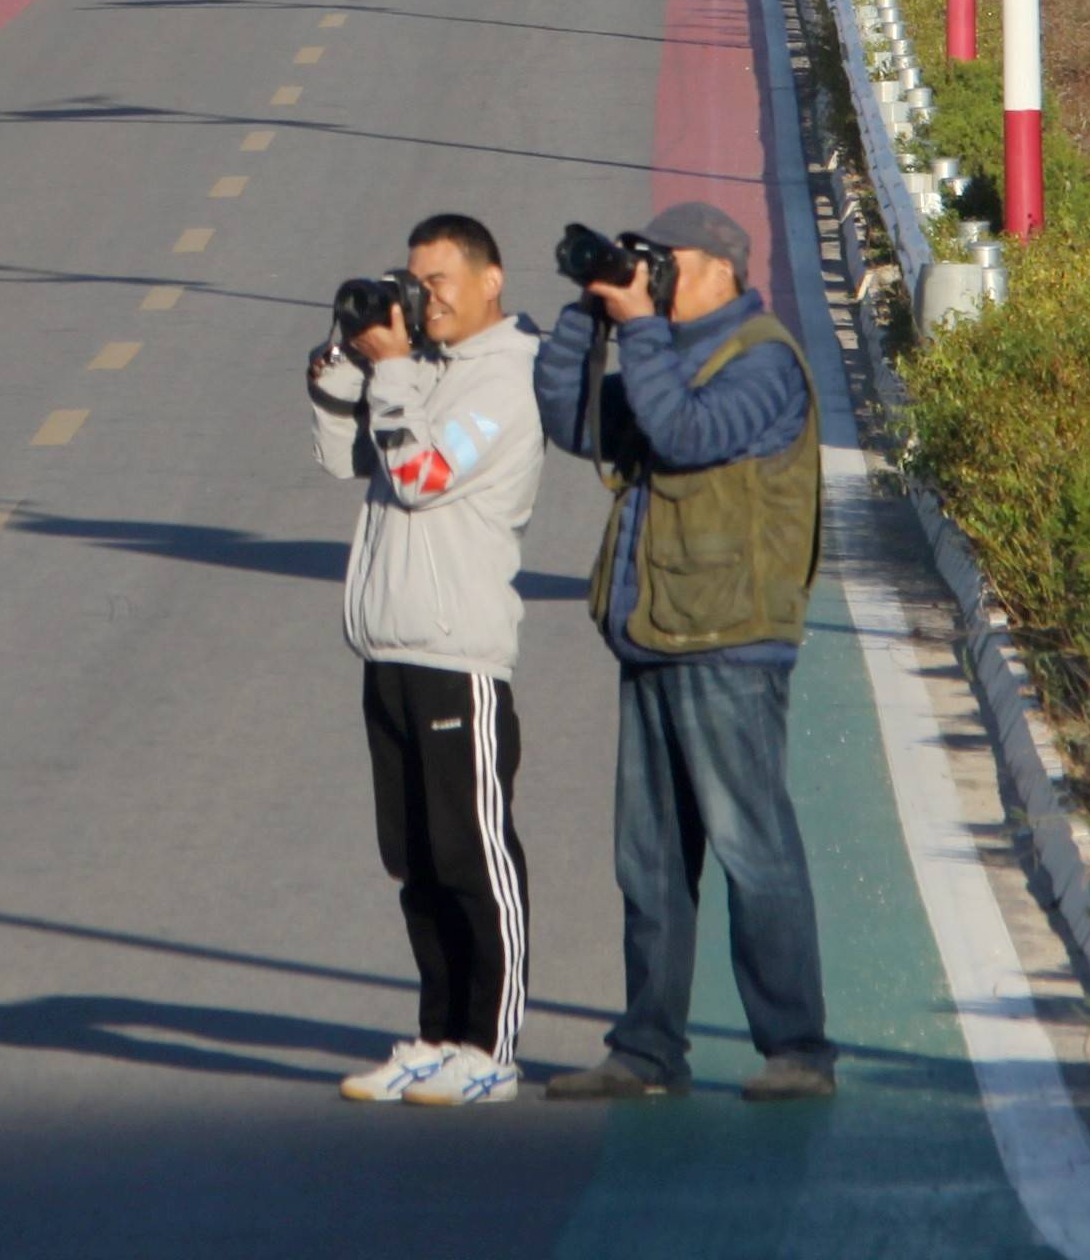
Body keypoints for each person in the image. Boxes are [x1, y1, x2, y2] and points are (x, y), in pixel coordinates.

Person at [530, 194, 833, 1101]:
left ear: (719, 270)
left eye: (664, 265)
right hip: (656, 634)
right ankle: (647, 1051)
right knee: (651, 860)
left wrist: (641, 331)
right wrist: (588, 315)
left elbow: (685, 433)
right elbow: (578, 423)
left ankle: (797, 1051)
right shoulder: (669, 351)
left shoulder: (765, 360)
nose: (652, 279)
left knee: (753, 848)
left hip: (732, 640)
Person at [305, 211, 545, 1108]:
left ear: (492, 281)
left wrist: (394, 372)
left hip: (459, 656)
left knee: (474, 855)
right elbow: (344, 463)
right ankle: (440, 1036)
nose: (422, 298)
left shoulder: (509, 383)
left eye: (438, 282)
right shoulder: (419, 373)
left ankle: (494, 1048)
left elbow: (419, 479)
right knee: (415, 861)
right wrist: (345, 372)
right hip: (388, 648)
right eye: (413, 281)